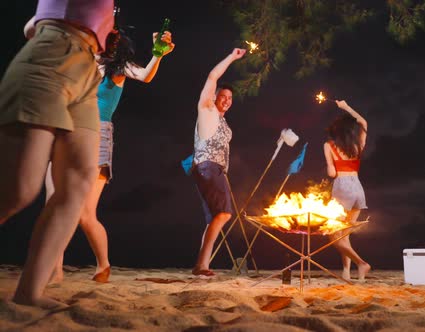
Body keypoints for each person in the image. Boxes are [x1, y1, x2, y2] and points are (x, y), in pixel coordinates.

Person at [0, 0, 114, 308]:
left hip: (88, 72)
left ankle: (30, 292)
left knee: (77, 185)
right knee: (18, 191)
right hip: (51, 58)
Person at [45, 27, 175, 283]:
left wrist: (157, 54)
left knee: (84, 214)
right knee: (53, 206)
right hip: (66, 132)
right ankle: (53, 270)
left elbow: (146, 75)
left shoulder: (118, 68)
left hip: (97, 136)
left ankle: (103, 264)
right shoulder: (79, 63)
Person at [190, 48, 246, 277]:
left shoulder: (223, 122)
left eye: (230, 98)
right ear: (213, 97)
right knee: (224, 214)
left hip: (211, 169)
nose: (226, 101)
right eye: (222, 96)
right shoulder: (207, 110)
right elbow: (212, 78)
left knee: (215, 217)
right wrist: (232, 57)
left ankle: (201, 265)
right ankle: (202, 265)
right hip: (208, 167)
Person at [323, 100, 371, 282]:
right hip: (358, 189)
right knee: (344, 234)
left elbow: (332, 172)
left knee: (333, 236)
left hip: (343, 188)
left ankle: (361, 263)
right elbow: (364, 123)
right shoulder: (358, 146)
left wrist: (331, 166)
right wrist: (346, 107)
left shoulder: (329, 146)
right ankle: (346, 271)